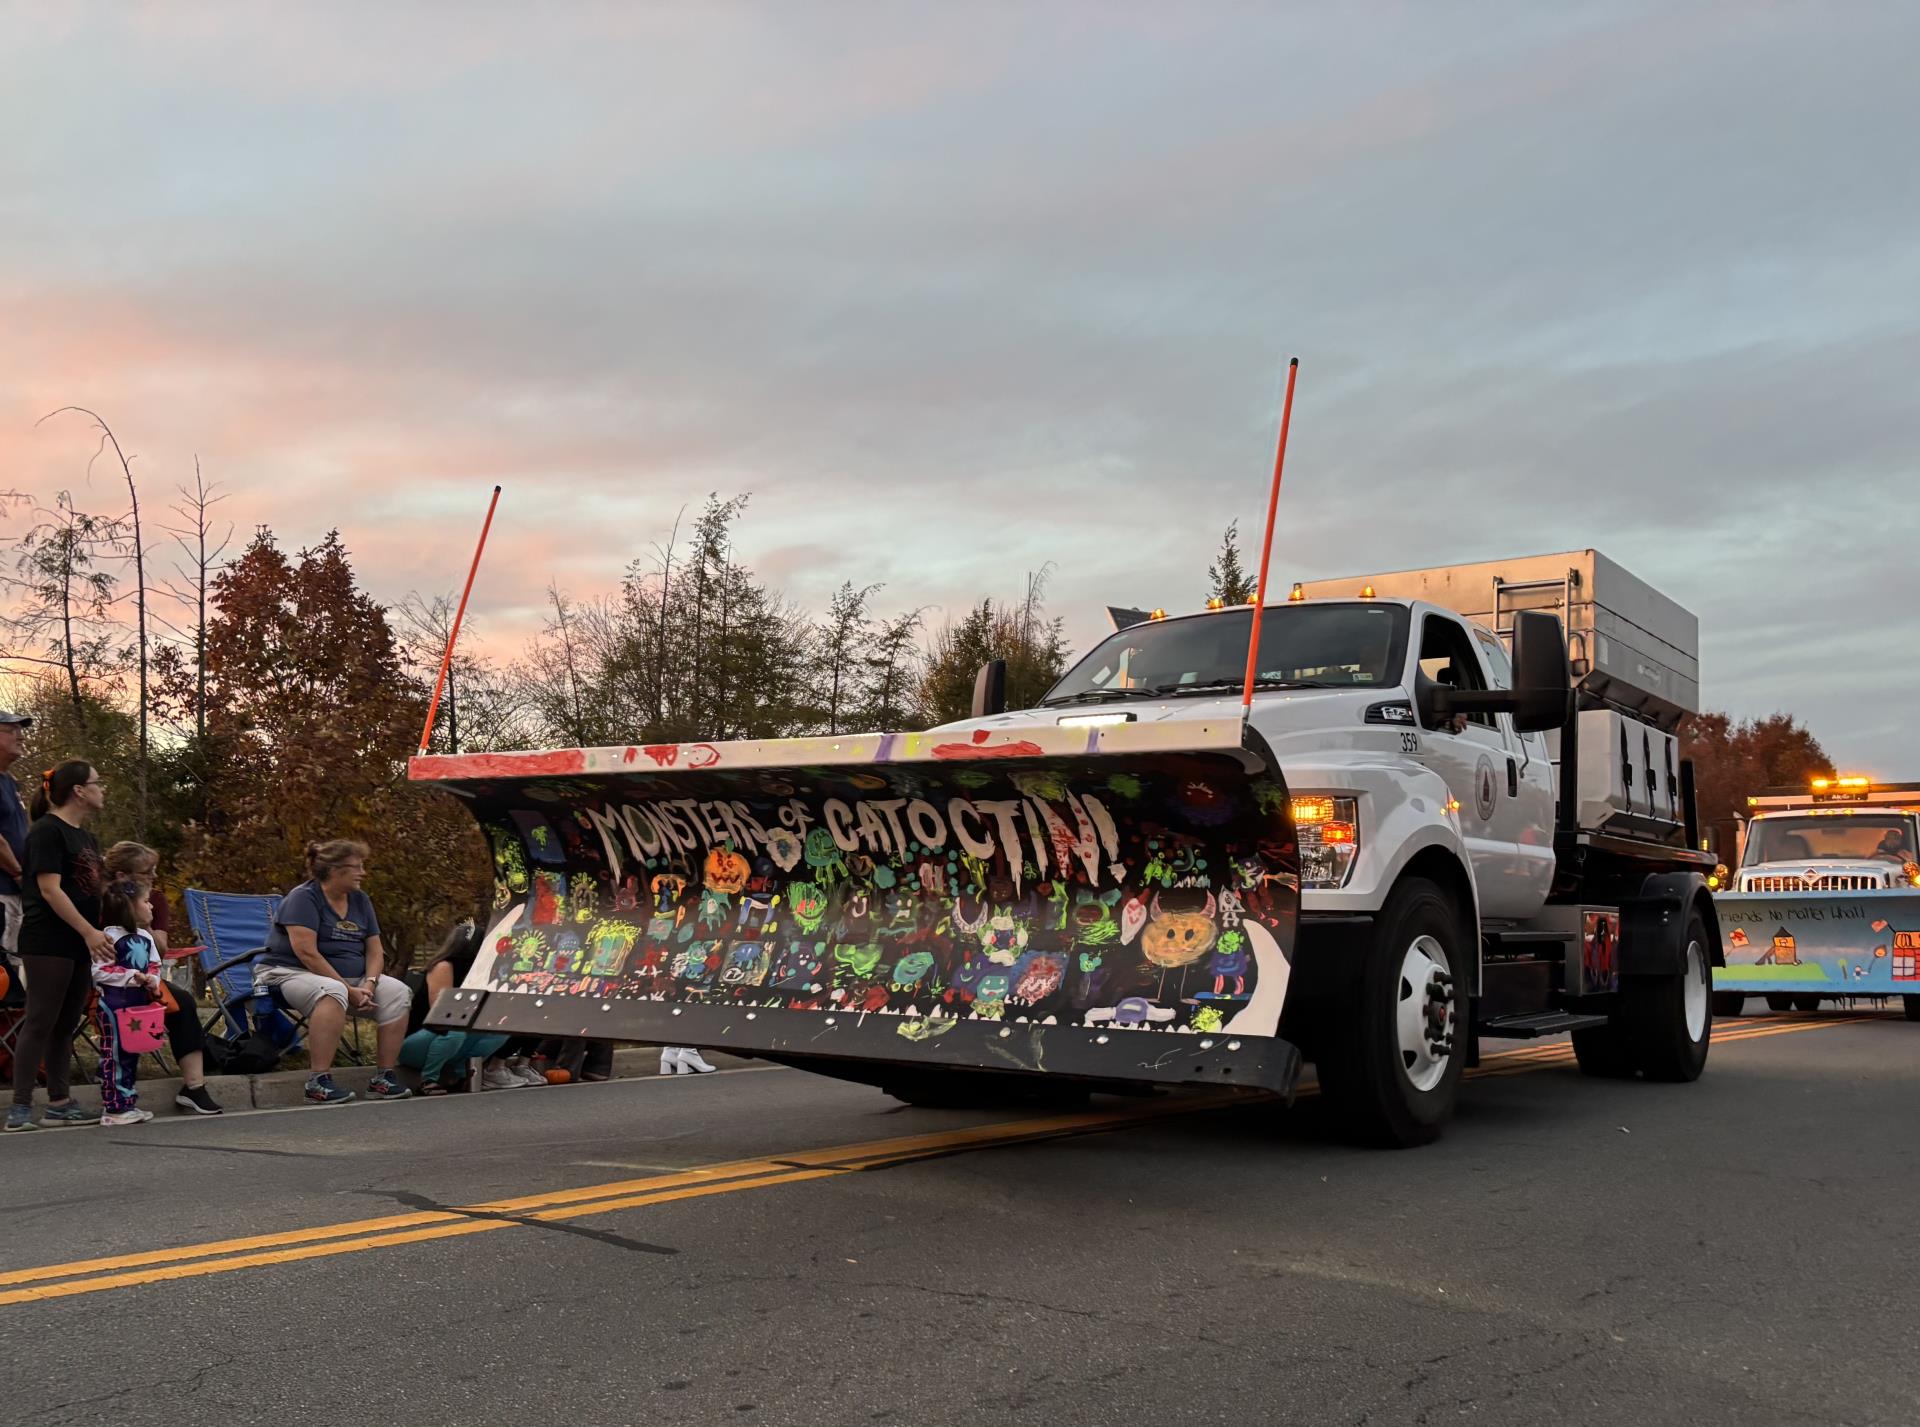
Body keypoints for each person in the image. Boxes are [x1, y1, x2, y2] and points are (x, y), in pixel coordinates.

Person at [253, 839, 413, 1105]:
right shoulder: (303, 898)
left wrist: (370, 985)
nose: (363, 872)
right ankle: (318, 1082)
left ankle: (384, 1077)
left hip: (352, 979)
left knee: (398, 991)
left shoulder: (361, 900)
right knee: (333, 991)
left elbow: (375, 950)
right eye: (357, 867)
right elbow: (307, 953)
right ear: (336, 870)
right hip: (288, 973)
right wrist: (349, 989)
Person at [6, 760, 111, 1132]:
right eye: (97, 783)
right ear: (79, 791)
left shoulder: (87, 837)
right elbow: (50, 890)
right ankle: (20, 1106)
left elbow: (91, 889)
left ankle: (59, 1102)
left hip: (80, 941)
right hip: (47, 941)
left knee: (66, 1023)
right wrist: (88, 931)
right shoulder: (47, 832)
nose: (103, 789)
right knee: (39, 1019)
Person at [104, 841, 222, 1114]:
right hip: (108, 977)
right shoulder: (100, 899)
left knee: (182, 1000)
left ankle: (194, 1087)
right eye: (147, 872)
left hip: (145, 977)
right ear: (122, 875)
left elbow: (161, 949)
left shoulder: (153, 900)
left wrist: (142, 920)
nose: (153, 877)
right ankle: (113, 1074)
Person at [412, 921, 542, 1091]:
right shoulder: (443, 966)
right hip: (421, 1038)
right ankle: (428, 1079)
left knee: (499, 1033)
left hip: (453, 1034)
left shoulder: (479, 971)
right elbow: (441, 1013)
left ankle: (462, 1075)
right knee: (454, 1032)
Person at [92, 880, 166, 1126]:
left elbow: (155, 965)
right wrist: (130, 976)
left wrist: (152, 980)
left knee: (131, 1053)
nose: (151, 907)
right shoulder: (108, 937)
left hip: (137, 1004)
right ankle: (113, 1107)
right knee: (114, 1054)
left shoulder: (145, 937)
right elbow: (98, 971)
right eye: (146, 902)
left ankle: (128, 1101)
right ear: (129, 908)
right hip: (113, 1004)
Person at [0, 712, 31, 979]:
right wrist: (19, 873)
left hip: (14, 890)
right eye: (11, 729)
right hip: (2, 889)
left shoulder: (9, 782)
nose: (20, 735)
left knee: (12, 966)